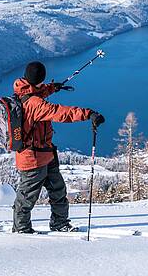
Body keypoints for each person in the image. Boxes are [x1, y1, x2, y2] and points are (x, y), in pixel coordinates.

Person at [12, 61, 105, 233]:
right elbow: (60, 112)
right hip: (32, 158)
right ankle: (21, 229)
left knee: (58, 189)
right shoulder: (35, 104)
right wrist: (88, 114)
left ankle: (59, 223)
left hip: (45, 153)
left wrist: (52, 88)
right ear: (38, 79)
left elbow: (37, 92)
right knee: (27, 197)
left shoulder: (25, 90)